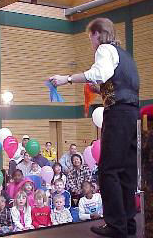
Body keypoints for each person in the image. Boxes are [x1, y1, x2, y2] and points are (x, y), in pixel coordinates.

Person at [49, 17, 139, 237]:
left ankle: (115, 225)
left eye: (90, 36)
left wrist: (67, 78)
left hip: (117, 113)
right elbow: (121, 85)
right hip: (131, 113)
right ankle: (127, 223)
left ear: (98, 34)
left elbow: (99, 73)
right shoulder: (125, 55)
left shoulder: (105, 49)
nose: (90, 41)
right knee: (126, 171)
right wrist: (100, 91)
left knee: (108, 170)